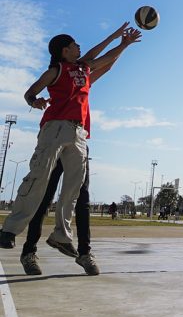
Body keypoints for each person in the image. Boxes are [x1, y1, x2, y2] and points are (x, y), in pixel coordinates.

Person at [2, 24, 140, 273]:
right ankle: (12, 232)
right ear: (65, 51)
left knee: (75, 190)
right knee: (40, 182)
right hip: (55, 128)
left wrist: (121, 42)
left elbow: (104, 61)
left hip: (78, 133)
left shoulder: (83, 71)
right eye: (75, 45)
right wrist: (36, 101)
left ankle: (62, 237)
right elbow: (30, 92)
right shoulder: (58, 70)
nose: (80, 47)